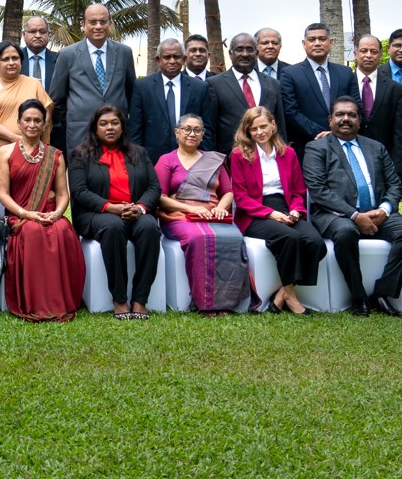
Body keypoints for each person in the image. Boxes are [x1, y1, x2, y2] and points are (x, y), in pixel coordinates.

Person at [304, 98, 402, 316]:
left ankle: (383, 293)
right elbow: (318, 190)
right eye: (340, 114)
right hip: (335, 215)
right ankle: (358, 296)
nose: (346, 119)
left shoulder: (376, 147)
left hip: (377, 213)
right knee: (346, 231)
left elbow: (394, 184)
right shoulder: (317, 148)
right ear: (330, 120)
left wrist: (385, 210)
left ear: (360, 121)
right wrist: (354, 215)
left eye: (352, 115)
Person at [0, 99, 84, 322]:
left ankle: (62, 301)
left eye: (37, 121)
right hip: (19, 214)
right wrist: (25, 214)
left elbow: (62, 194)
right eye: (28, 120)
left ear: (44, 125)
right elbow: (2, 193)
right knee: (32, 232)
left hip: (49, 212)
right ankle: (35, 302)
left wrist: (58, 213)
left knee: (62, 230)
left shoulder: (55, 155)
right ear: (19, 123)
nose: (32, 125)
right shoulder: (4, 152)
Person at [228, 107, 325, 316]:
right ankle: (291, 297)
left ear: (274, 125)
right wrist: (270, 214)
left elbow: (299, 190)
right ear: (247, 131)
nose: (259, 132)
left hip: (287, 207)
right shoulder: (239, 155)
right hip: (255, 213)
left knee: (316, 243)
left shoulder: (287, 153)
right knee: (289, 237)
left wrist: (296, 211)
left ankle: (283, 291)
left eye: (263, 126)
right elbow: (241, 197)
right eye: (253, 129)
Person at [155, 114, 246, 316]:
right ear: (177, 132)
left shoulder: (213, 159)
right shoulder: (166, 160)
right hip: (179, 215)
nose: (192, 134)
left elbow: (229, 191)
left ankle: (227, 302)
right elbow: (158, 197)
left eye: (197, 130)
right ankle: (204, 302)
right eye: (187, 129)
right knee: (199, 238)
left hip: (213, 214)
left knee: (234, 238)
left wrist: (221, 207)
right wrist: (191, 209)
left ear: (203, 135)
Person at [50, 3, 135, 150]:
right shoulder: (67, 54)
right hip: (80, 134)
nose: (98, 26)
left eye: (103, 21)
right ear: (83, 24)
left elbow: (131, 93)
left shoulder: (124, 52)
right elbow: (57, 100)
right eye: (92, 22)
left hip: (117, 135)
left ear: (110, 23)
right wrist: (73, 121)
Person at [279, 23, 359, 149]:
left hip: (345, 142)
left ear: (331, 42)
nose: (317, 43)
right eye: (312, 39)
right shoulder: (290, 74)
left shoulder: (346, 72)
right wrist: (325, 134)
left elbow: (356, 106)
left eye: (322, 39)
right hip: (308, 144)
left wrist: (338, 132)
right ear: (304, 43)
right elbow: (291, 112)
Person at [132, 38, 213, 161]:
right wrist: (137, 162)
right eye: (167, 57)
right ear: (158, 60)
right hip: (151, 160)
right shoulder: (142, 87)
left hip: (191, 160)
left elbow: (207, 128)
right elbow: (135, 128)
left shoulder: (199, 88)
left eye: (176, 57)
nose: (172, 61)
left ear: (184, 59)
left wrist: (206, 162)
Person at [206, 33, 286, 155]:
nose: (245, 54)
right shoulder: (214, 84)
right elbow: (210, 127)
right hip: (230, 158)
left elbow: (280, 123)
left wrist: (282, 153)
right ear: (230, 53)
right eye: (239, 49)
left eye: (250, 50)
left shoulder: (273, 84)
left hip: (269, 156)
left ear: (257, 54)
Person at [0, 41, 54, 153]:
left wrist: (32, 135)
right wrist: (14, 138)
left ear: (21, 61)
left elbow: (47, 110)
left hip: (30, 146)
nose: (11, 63)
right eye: (5, 59)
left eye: (15, 58)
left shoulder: (34, 83)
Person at [354, 35, 402, 184]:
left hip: (384, 160)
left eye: (373, 51)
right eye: (363, 51)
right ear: (355, 54)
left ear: (380, 55)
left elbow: (400, 132)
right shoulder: (344, 83)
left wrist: (397, 169)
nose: (368, 55)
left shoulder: (395, 89)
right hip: (350, 159)